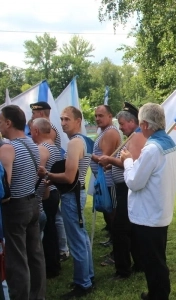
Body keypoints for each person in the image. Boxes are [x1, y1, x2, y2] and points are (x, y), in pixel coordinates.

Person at [121, 103, 176, 300]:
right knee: (156, 260)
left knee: (154, 262)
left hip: (149, 215)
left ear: (145, 124)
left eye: (139, 124)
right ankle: (156, 293)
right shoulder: (168, 142)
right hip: (159, 211)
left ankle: (159, 295)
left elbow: (134, 182)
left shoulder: (152, 149)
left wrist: (127, 161)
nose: (138, 128)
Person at [38, 106, 94, 299]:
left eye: (67, 119)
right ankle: (88, 276)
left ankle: (83, 283)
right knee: (82, 236)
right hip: (78, 193)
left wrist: (49, 175)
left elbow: (70, 177)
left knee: (77, 239)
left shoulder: (74, 143)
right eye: (61, 119)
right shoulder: (85, 141)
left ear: (78, 121)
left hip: (73, 194)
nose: (62, 123)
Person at [0, 105, 46, 300]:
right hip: (32, 203)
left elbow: (5, 188)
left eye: (0, 121)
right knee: (35, 254)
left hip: (16, 207)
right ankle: (39, 295)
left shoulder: (8, 148)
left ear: (8, 123)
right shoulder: (32, 144)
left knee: (17, 259)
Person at [98, 102, 146, 279]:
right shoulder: (133, 136)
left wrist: (109, 161)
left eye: (122, 124)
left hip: (126, 189)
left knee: (119, 229)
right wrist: (112, 165)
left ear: (132, 122)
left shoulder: (137, 137)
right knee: (129, 229)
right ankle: (139, 263)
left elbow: (132, 162)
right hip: (123, 188)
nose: (121, 128)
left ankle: (123, 270)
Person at [30, 101, 70, 261]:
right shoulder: (50, 143)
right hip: (52, 190)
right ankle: (56, 257)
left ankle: (54, 260)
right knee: (52, 224)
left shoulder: (44, 146)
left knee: (50, 229)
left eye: (34, 113)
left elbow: (40, 170)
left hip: (48, 190)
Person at [30, 118, 63, 278]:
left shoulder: (42, 148)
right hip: (53, 191)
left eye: (31, 131)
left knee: (48, 232)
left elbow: (38, 173)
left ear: (36, 131)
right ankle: (54, 264)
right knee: (51, 230)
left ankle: (50, 267)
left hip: (46, 193)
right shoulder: (53, 146)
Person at [90, 105, 121, 249]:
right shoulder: (104, 132)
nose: (97, 118)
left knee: (113, 214)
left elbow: (105, 158)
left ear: (110, 116)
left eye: (101, 115)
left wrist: (90, 156)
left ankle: (117, 248)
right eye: (96, 116)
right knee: (108, 213)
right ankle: (114, 241)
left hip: (109, 180)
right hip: (103, 181)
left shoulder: (110, 132)